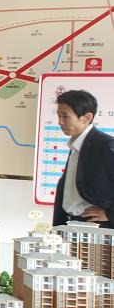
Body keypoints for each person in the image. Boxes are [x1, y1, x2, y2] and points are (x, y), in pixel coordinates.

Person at [52, 90, 114, 229]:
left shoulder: (105, 145)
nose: (60, 122)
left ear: (87, 117)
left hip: (95, 227)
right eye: (59, 115)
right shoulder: (76, 145)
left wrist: (110, 214)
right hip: (70, 223)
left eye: (65, 116)